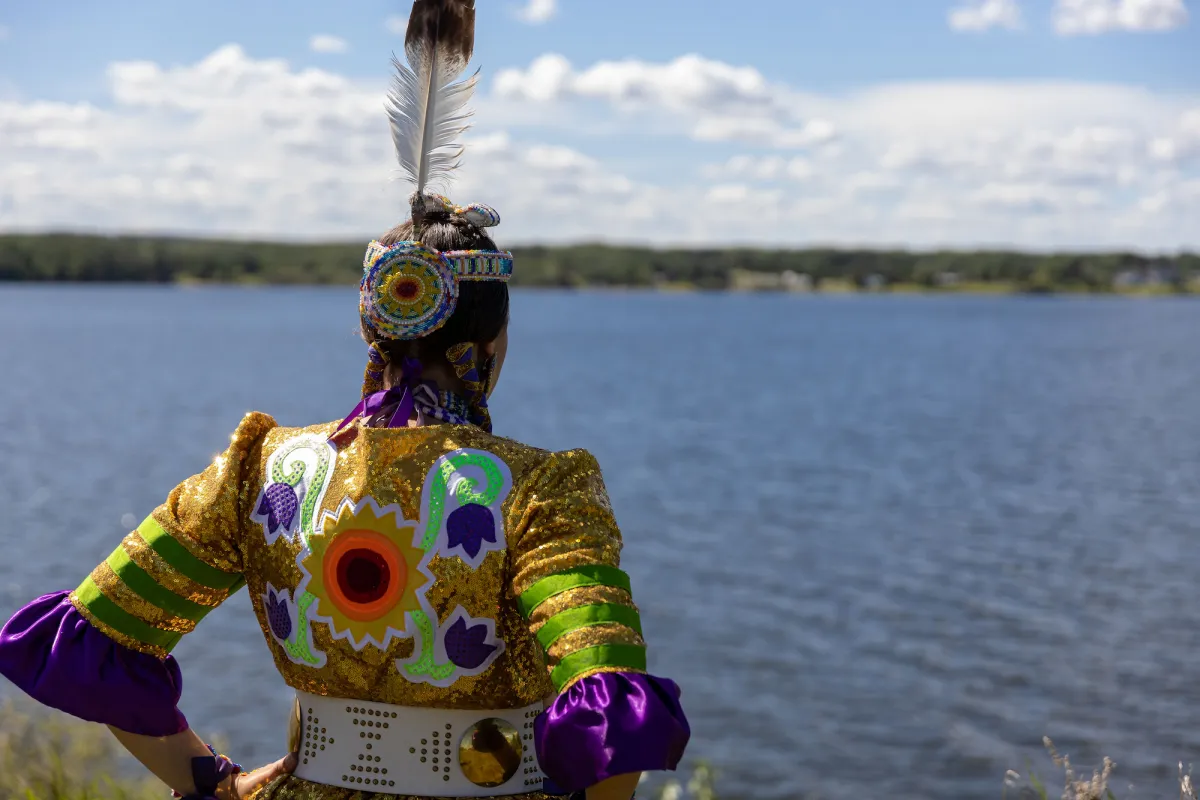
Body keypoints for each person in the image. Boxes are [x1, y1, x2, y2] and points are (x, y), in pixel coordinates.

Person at [0, 2, 690, 799]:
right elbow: (611, 716)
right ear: (488, 348)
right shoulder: (540, 492)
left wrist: (209, 784)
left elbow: (95, 641)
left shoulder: (266, 469)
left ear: (378, 333)